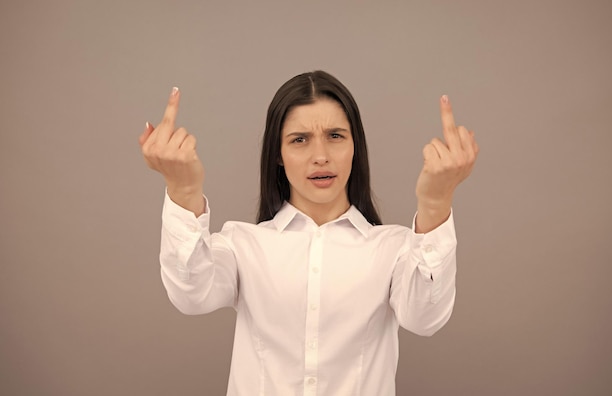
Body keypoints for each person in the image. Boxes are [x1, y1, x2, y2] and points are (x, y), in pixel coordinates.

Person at [139, 70, 478, 396]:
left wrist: (435, 202)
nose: (321, 156)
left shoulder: (395, 249)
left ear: (354, 146)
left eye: (335, 136)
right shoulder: (243, 245)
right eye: (299, 140)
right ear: (278, 155)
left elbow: (425, 317)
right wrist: (184, 189)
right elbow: (191, 295)